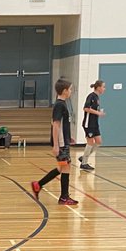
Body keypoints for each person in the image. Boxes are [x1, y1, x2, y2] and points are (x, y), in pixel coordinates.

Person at [31, 78, 79, 206]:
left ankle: (38, 185)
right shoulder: (59, 105)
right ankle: (63, 197)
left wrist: (69, 138)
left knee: (63, 167)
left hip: (64, 141)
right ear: (64, 91)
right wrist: (57, 145)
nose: (71, 91)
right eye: (70, 89)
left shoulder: (62, 104)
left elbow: (63, 125)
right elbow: (56, 125)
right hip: (61, 143)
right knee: (66, 166)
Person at [79, 80, 105, 170]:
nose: (104, 89)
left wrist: (98, 113)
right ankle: (84, 163)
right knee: (90, 142)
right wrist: (98, 113)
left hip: (95, 123)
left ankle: (83, 157)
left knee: (99, 141)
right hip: (88, 123)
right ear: (98, 87)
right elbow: (86, 108)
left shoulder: (97, 97)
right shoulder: (91, 96)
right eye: (103, 87)